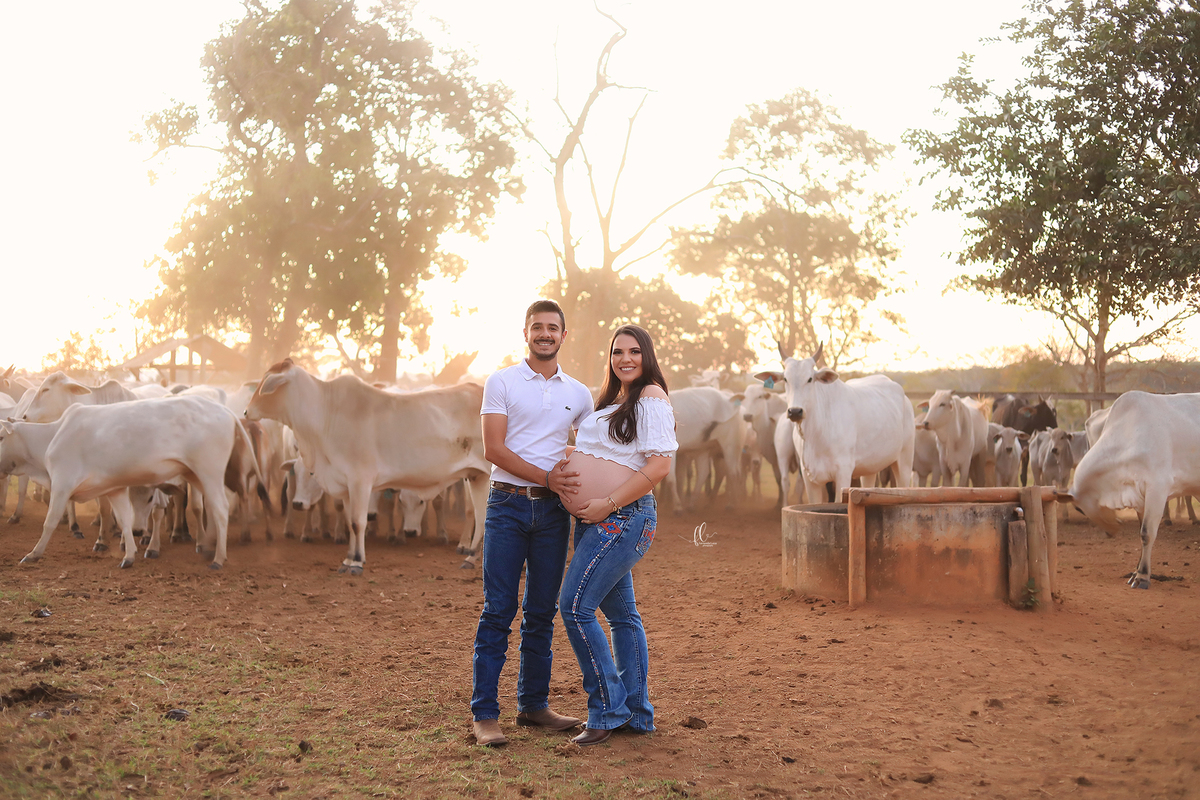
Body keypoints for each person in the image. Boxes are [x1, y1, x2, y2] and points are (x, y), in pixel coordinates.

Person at [470, 300, 596, 747]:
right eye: (537, 327)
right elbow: (494, 449)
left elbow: (592, 447)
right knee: (499, 609)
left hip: (554, 513)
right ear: (525, 332)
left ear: (565, 335)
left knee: (541, 612)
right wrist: (546, 476)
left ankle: (533, 706)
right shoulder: (501, 381)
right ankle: (485, 713)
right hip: (506, 504)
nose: (545, 334)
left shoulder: (579, 393)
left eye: (553, 328)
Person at [555, 324, 677, 746]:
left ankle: (608, 708)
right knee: (623, 616)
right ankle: (638, 715)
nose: (625, 359)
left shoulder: (651, 396)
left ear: (647, 356)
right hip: (598, 520)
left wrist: (607, 502)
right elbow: (608, 455)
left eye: (633, 352)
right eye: (617, 352)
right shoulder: (615, 401)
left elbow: (659, 466)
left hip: (622, 518)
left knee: (574, 607)